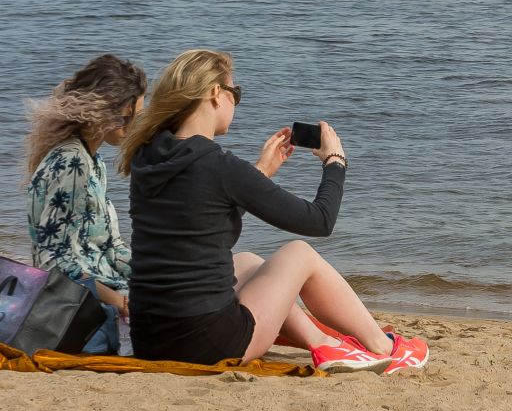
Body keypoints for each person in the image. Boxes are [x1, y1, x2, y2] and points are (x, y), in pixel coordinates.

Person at [119, 49, 427, 373]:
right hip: (203, 344)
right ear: (214, 93)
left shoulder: (147, 158)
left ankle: (325, 344)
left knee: (250, 263)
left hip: (150, 339)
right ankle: (385, 346)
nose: (235, 101)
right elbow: (320, 221)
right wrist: (335, 163)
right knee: (299, 254)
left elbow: (198, 221)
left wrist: (260, 173)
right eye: (234, 93)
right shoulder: (220, 166)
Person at [23, 56, 147, 354]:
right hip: (82, 308)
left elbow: (109, 248)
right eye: (128, 117)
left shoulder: (92, 161)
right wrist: (119, 300)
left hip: (100, 290)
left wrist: (150, 273)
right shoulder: (73, 163)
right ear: (103, 111)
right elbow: (54, 263)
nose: (133, 126)